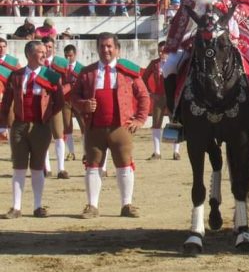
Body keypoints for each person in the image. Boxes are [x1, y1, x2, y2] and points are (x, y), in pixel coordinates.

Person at [71, 33, 149, 218]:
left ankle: (127, 205)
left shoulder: (127, 71)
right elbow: (74, 97)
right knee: (92, 166)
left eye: (109, 46)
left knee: (124, 165)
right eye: (102, 46)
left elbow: (144, 96)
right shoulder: (87, 72)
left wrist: (139, 120)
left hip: (120, 127)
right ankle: (92, 206)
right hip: (95, 127)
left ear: (117, 48)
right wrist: (84, 105)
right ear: (96, 48)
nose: (105, 50)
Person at [0, 40, 64, 218]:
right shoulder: (17, 75)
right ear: (29, 55)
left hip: (40, 126)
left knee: (37, 167)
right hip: (20, 125)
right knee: (18, 167)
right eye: (40, 52)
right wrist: (3, 124)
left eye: (45, 51)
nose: (44, 54)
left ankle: (37, 206)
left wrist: (47, 116)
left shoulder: (50, 75)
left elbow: (59, 102)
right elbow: (7, 102)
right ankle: (16, 207)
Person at [143, 41, 181, 161]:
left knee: (174, 123)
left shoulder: (175, 63)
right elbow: (143, 78)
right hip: (159, 97)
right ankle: (157, 152)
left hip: (172, 98)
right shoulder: (154, 64)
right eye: (159, 51)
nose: (161, 54)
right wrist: (150, 93)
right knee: (156, 125)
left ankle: (176, 152)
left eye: (163, 51)